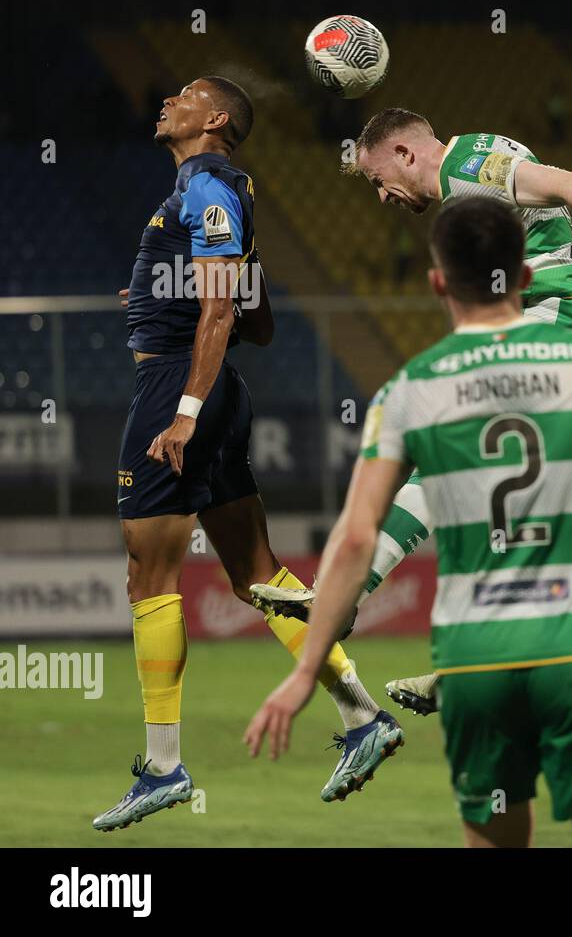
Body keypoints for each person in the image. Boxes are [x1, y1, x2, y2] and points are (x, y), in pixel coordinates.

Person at [244, 197, 572, 846]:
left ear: (438, 282)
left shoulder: (410, 390)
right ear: (527, 279)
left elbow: (358, 537)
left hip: (474, 660)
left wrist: (307, 672)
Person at [95, 77, 400, 833]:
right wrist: (174, 297)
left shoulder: (205, 185)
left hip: (178, 390)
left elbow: (225, 310)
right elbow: (256, 322)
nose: (168, 99)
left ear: (217, 120)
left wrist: (186, 412)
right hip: (210, 383)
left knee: (148, 574)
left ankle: (164, 768)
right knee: (256, 577)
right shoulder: (225, 193)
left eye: (187, 95)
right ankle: (364, 718)